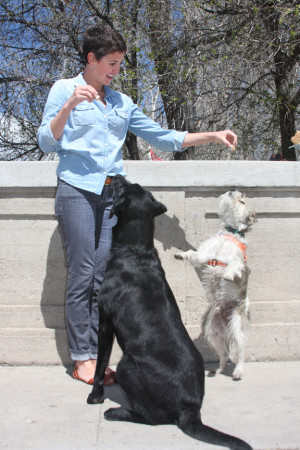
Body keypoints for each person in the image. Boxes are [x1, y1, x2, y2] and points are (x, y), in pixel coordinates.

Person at [37, 25, 237, 385]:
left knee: (101, 277)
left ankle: (97, 357)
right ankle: (82, 356)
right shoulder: (63, 90)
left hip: (114, 197)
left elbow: (164, 137)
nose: (115, 71)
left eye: (119, 65)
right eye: (110, 64)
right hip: (77, 192)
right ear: (91, 59)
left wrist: (212, 135)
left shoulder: (121, 103)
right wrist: (69, 106)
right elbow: (46, 143)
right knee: (82, 273)